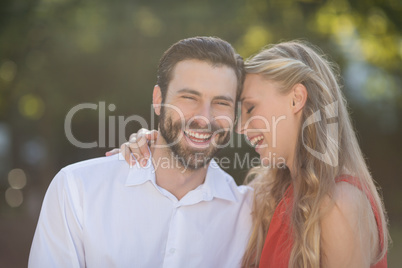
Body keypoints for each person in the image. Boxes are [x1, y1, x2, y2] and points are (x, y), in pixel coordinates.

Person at [111, 41, 389, 267]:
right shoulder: (268, 195)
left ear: (296, 99)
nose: (241, 127)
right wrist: (154, 146)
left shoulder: (339, 203)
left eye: (251, 109)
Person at [28, 36, 254, 268]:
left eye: (222, 103)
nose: (204, 118)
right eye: (189, 97)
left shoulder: (250, 214)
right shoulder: (77, 189)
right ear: (158, 100)